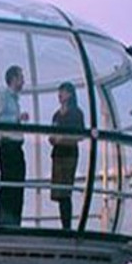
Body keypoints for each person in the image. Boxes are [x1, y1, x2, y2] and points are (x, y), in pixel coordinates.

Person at [0, 65, 29, 227]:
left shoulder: (13, 99)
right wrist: (17, 118)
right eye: (21, 78)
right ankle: (7, 222)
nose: (23, 81)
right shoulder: (4, 97)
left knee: (16, 185)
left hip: (14, 147)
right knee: (10, 185)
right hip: (8, 147)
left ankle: (14, 221)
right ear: (14, 79)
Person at [49, 82, 84, 230]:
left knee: (65, 191)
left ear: (70, 94)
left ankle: (67, 226)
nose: (59, 95)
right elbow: (51, 133)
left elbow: (80, 135)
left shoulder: (76, 113)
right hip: (58, 154)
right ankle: (65, 225)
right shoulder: (56, 114)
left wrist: (62, 139)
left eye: (62, 92)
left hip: (68, 154)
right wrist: (53, 138)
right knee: (59, 192)